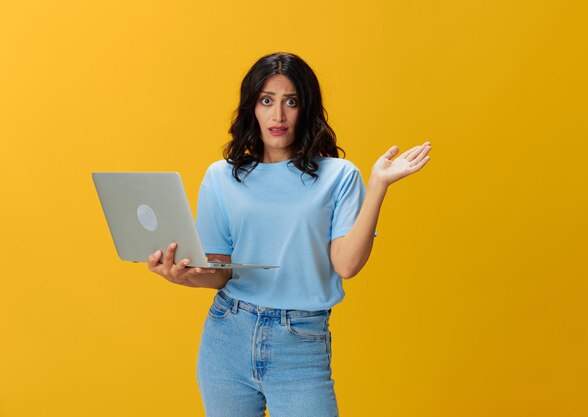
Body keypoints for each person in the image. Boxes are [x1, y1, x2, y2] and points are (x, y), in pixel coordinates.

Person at [147, 52, 431, 417]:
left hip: (299, 342)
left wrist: (378, 185)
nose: (278, 115)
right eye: (267, 101)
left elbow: (346, 265)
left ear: (305, 109)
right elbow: (219, 271)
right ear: (253, 107)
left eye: (290, 102)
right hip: (227, 334)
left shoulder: (339, 175)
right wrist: (180, 274)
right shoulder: (222, 176)